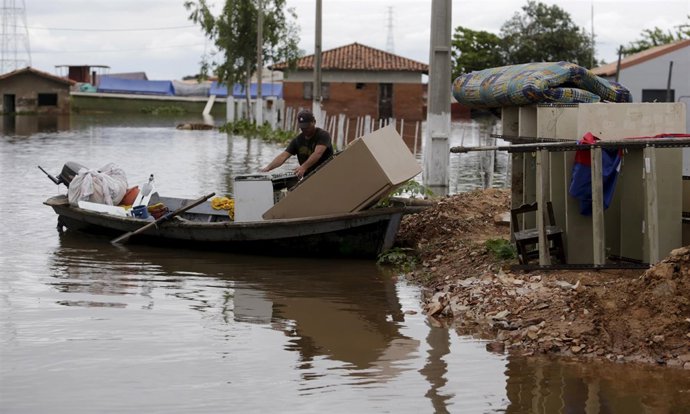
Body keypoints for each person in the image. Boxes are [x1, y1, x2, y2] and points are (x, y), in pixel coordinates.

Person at [260, 110, 334, 179]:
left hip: (326, 175)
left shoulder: (323, 135)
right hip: (308, 177)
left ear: (314, 122)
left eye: (307, 126)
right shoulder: (297, 140)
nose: (304, 129)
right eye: (302, 127)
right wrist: (268, 168)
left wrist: (303, 167)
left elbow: (318, 153)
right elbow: (283, 156)